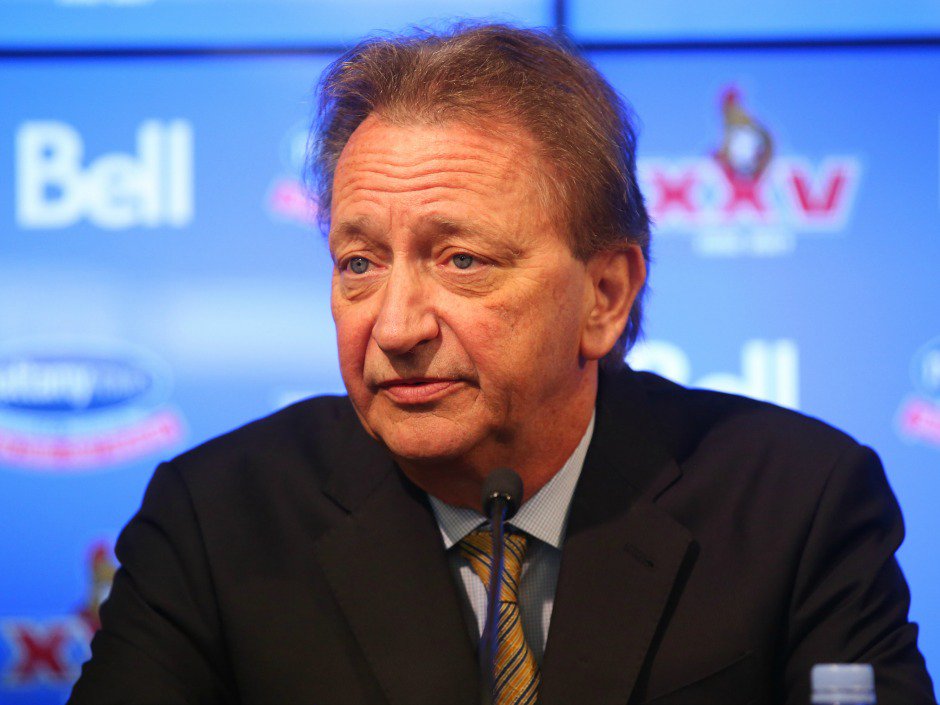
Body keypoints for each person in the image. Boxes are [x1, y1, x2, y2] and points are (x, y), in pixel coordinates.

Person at [69, 24, 935, 705]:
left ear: (604, 295)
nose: (396, 327)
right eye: (359, 263)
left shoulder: (798, 504)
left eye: (462, 261)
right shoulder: (217, 521)